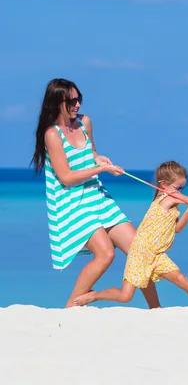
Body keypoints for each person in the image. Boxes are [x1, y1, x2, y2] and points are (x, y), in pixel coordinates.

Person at [31, 78, 161, 309]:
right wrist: (102, 169)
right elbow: (66, 177)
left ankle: (155, 309)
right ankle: (72, 306)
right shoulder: (52, 134)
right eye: (71, 100)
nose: (77, 104)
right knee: (105, 254)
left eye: (79, 98)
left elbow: (91, 152)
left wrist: (99, 159)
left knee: (139, 250)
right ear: (57, 102)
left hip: (97, 196)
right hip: (71, 202)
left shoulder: (84, 122)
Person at [73, 161, 188, 308]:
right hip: (141, 253)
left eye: (183, 188)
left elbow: (177, 229)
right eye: (178, 188)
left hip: (156, 254)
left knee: (180, 278)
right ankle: (93, 296)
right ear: (163, 185)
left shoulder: (173, 204)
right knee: (125, 297)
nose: (180, 191)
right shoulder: (168, 199)